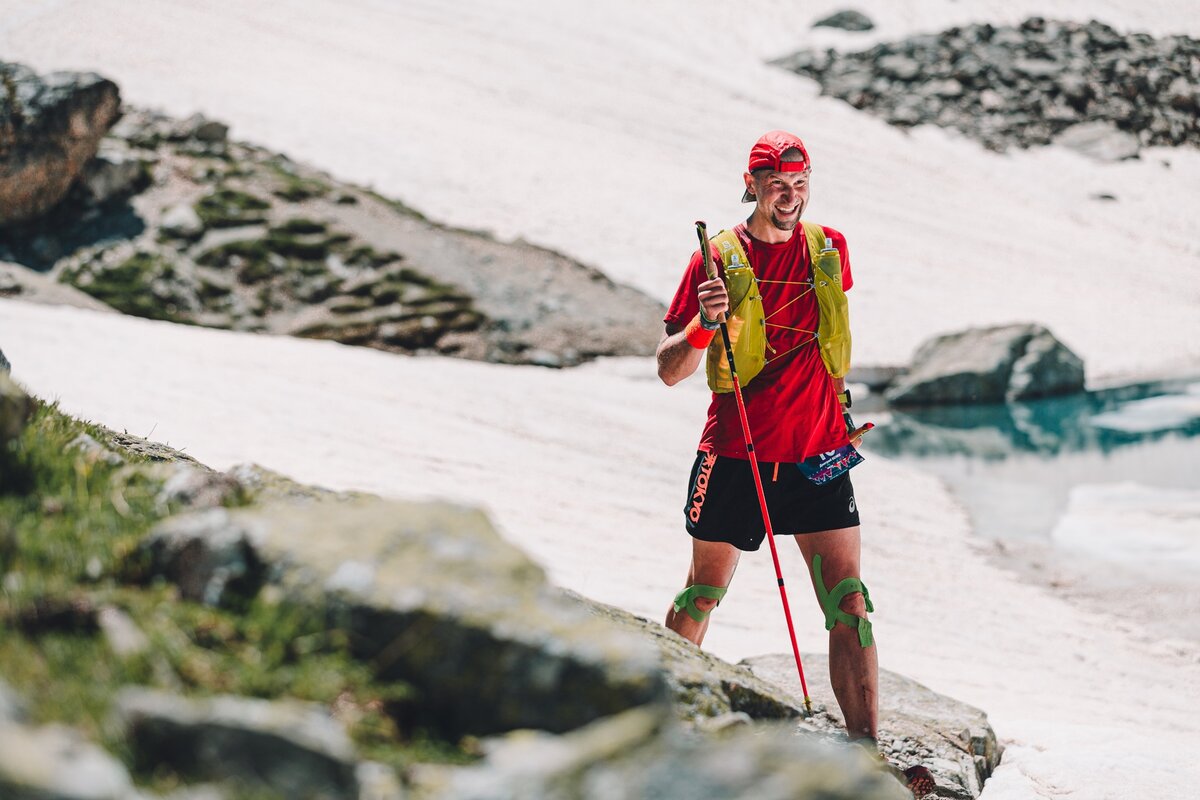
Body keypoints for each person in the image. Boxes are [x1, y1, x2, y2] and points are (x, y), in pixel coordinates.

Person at [656, 130, 877, 744]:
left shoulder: (829, 249)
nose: (790, 196)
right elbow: (669, 369)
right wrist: (704, 323)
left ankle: (869, 755)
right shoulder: (718, 257)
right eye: (777, 184)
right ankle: (658, 731)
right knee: (702, 594)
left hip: (820, 450)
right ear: (750, 184)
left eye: (800, 184)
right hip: (737, 450)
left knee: (850, 605)